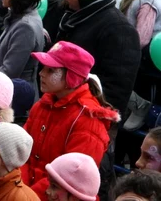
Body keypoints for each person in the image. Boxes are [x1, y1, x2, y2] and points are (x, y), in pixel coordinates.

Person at [22, 41, 120, 199]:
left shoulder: (89, 121)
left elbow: (70, 181)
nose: (41, 73)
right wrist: (19, 189)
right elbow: (22, 150)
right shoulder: (42, 105)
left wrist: (26, 195)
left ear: (72, 77)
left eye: (51, 70)